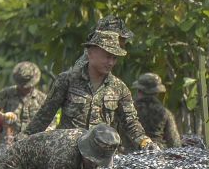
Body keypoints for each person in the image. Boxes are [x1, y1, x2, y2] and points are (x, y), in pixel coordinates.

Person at [26, 31, 155, 152]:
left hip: (101, 156)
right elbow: (45, 114)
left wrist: (143, 141)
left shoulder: (119, 88)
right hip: (67, 152)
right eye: (107, 56)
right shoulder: (67, 80)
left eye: (114, 58)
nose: (111, 62)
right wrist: (25, 137)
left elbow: (130, 122)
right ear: (90, 53)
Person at [0, 61, 47, 137]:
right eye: (21, 85)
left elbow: (51, 120)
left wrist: (46, 131)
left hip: (34, 142)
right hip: (10, 142)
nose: (24, 88)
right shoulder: (7, 94)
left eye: (27, 86)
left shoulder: (42, 98)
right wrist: (1, 116)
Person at [131, 73, 181, 150]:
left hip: (129, 157)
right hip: (156, 157)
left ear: (139, 91)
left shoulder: (127, 111)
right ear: (157, 93)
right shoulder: (165, 113)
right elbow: (175, 143)